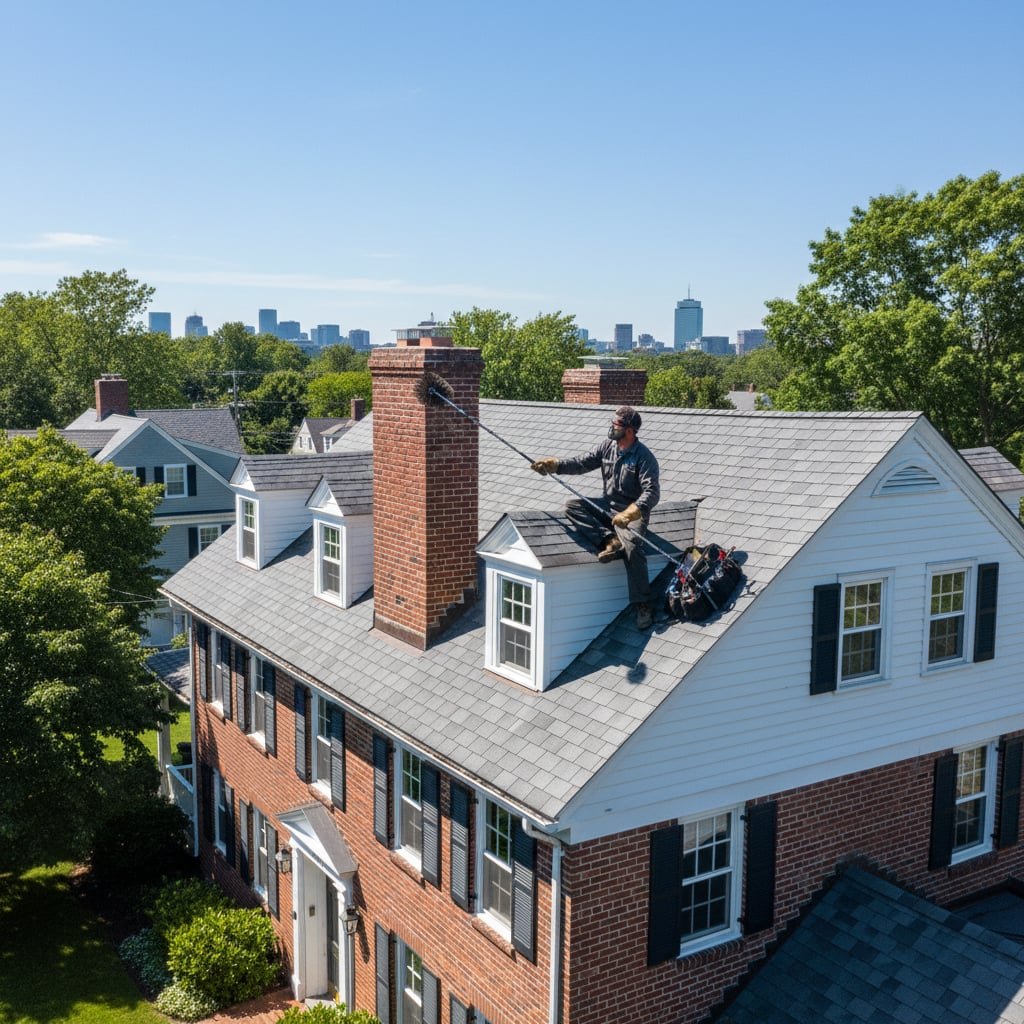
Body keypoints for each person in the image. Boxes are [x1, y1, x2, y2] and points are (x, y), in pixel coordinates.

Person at [531, 405, 660, 629]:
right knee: (573, 506)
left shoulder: (644, 458)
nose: (612, 426)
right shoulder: (607, 447)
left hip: (631, 513)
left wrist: (630, 513)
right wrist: (555, 466)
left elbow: (652, 492)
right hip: (606, 507)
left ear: (630, 431)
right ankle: (610, 541)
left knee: (633, 549)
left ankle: (643, 605)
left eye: (617, 424)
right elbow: (582, 463)